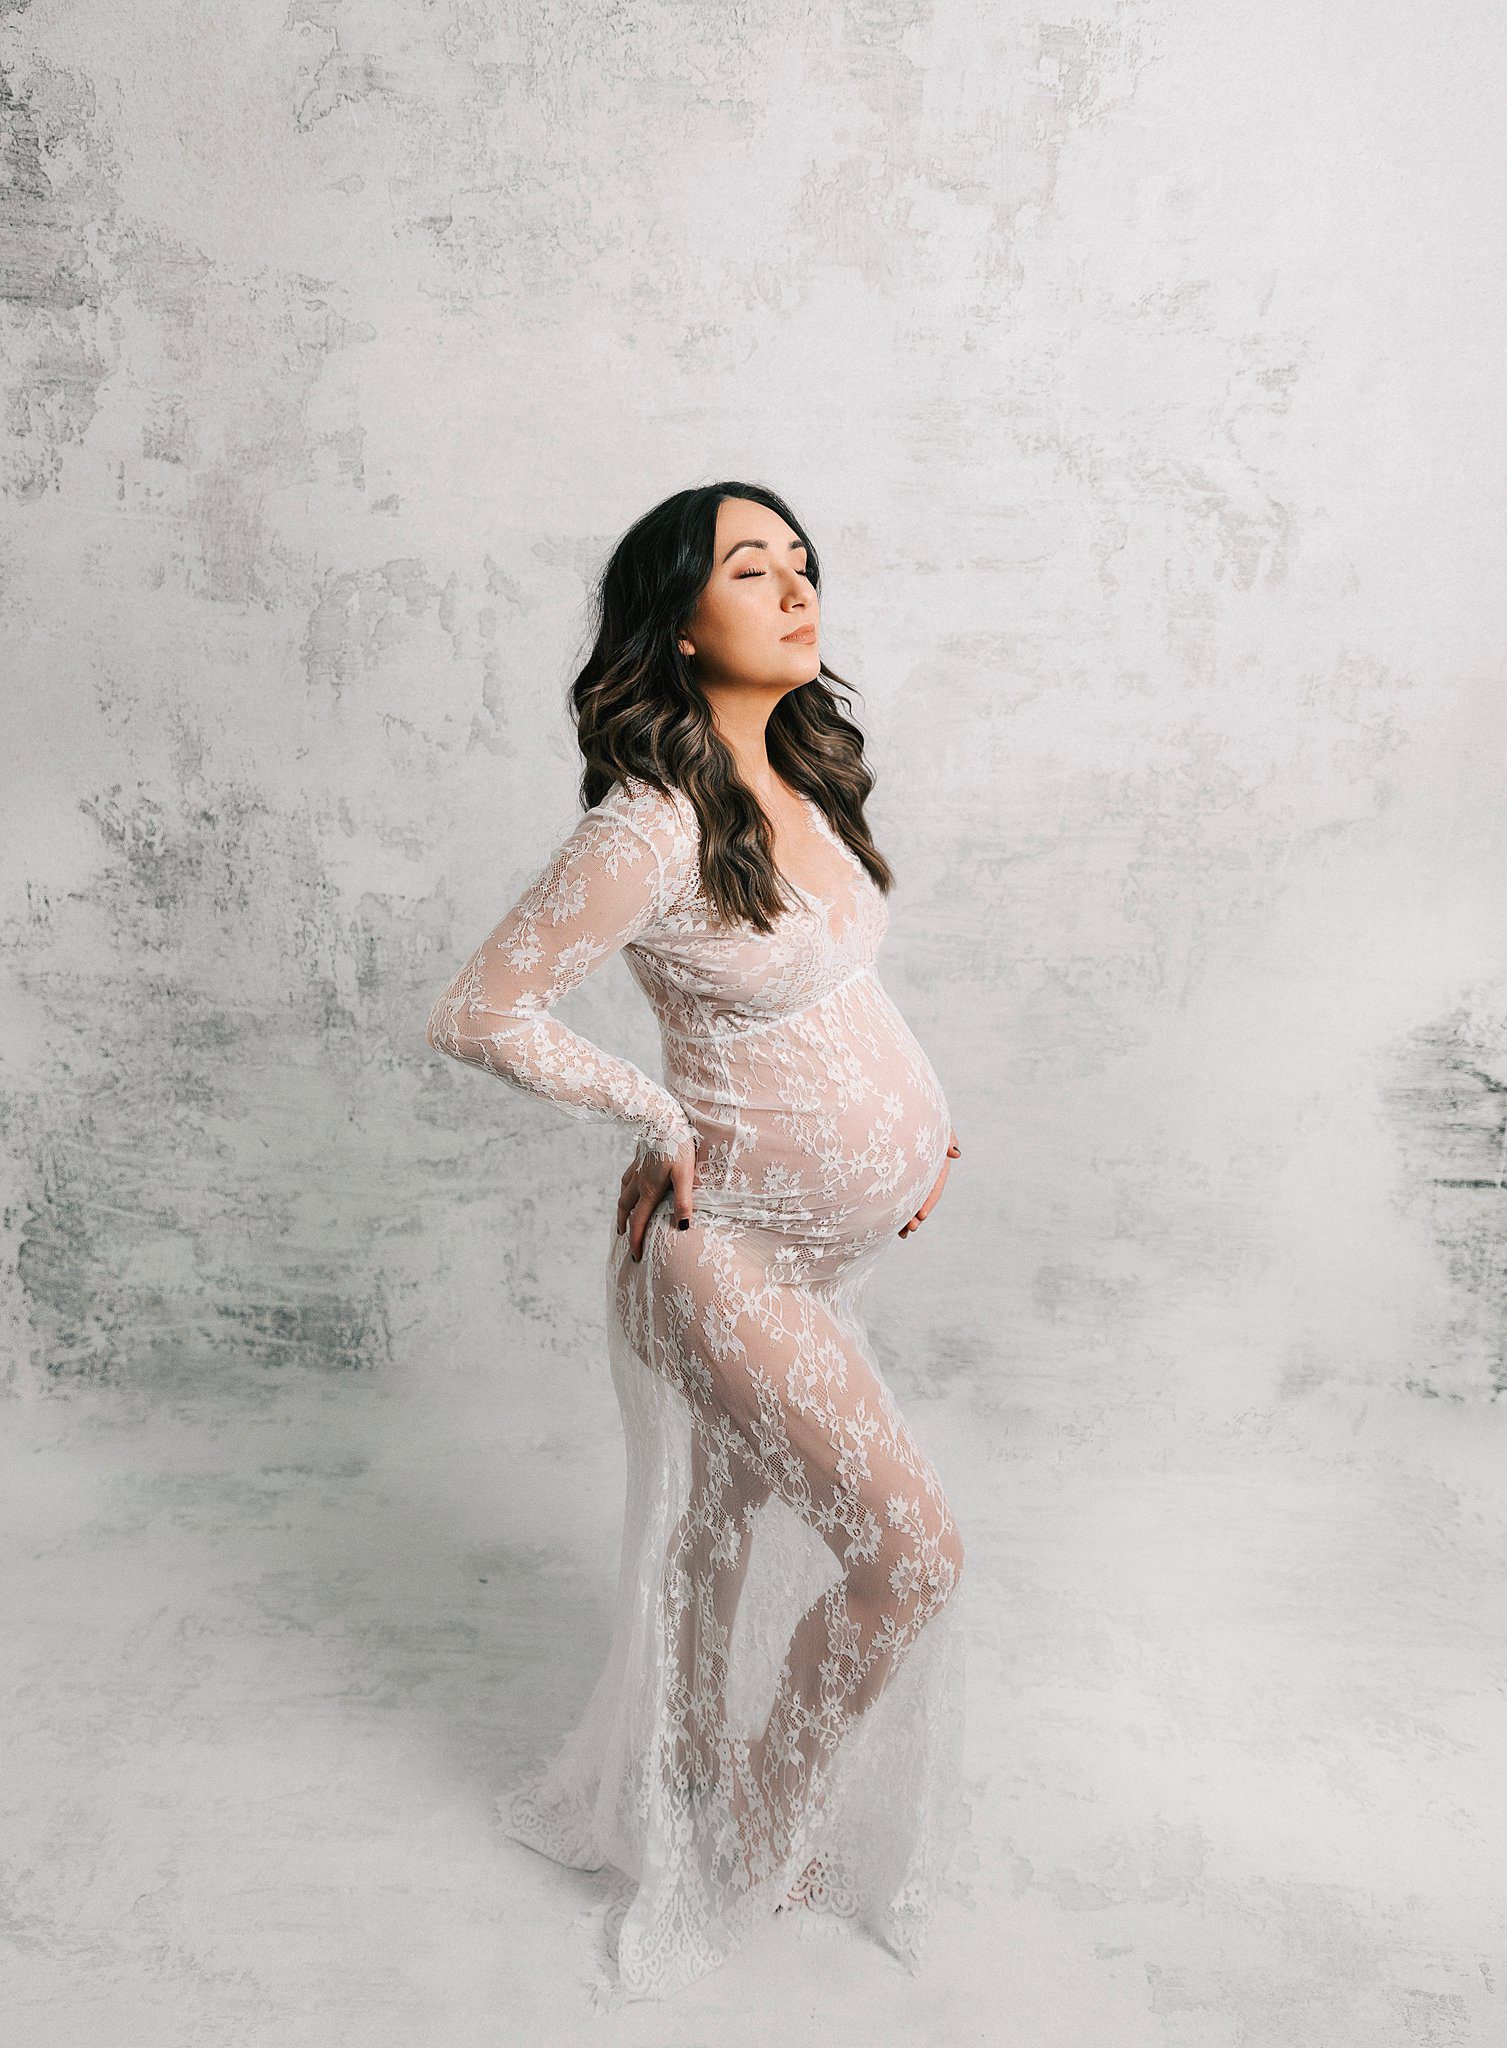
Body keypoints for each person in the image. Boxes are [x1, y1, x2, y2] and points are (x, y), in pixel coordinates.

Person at [424, 481, 968, 2003]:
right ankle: (740, 1855)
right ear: (677, 618)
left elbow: (836, 988)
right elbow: (477, 1011)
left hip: (825, 1237)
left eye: (803, 562)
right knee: (907, 1556)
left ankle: (723, 1807)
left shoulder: (801, 774)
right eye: (753, 567)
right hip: (723, 1249)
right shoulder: (647, 824)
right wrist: (651, 1112)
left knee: (728, 1550)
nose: (798, 587)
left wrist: (928, 1128)